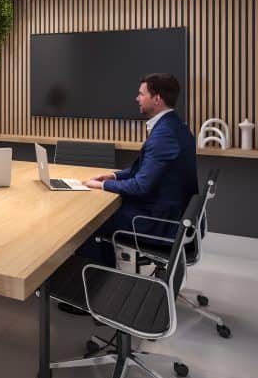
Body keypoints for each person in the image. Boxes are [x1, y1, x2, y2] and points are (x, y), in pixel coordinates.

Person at [80, 72, 198, 267]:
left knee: (89, 221)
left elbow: (141, 186)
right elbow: (147, 169)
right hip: (171, 213)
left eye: (141, 94)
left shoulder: (164, 134)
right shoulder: (175, 125)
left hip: (159, 223)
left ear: (157, 99)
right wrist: (114, 175)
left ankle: (95, 285)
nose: (137, 98)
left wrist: (102, 186)